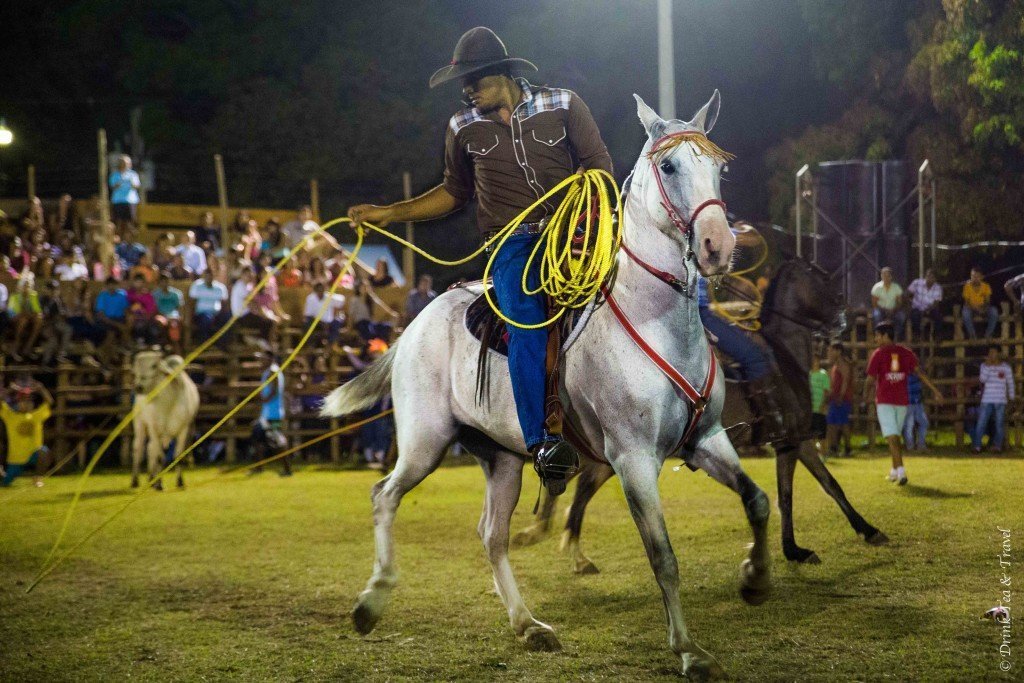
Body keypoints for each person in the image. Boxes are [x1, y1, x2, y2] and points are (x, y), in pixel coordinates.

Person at [346, 27, 612, 492]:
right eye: (463, 83)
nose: (467, 90)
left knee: (634, 289)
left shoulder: (564, 105)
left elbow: (599, 167)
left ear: (503, 75)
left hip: (573, 233)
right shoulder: (462, 126)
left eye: (474, 80)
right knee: (526, 320)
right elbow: (454, 192)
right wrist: (389, 213)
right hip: (511, 245)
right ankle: (540, 442)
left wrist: (582, 216)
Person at [863, 321, 942, 485]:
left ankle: (896, 471)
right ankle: (899, 472)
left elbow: (870, 380)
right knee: (893, 438)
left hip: (893, 402)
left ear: (885, 336)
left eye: (877, 335)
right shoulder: (903, 353)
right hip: (894, 402)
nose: (876, 339)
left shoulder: (880, 354)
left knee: (894, 438)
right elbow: (919, 373)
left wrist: (864, 396)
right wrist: (935, 390)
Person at [0, 381, 53, 487]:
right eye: (23, 401)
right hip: (16, 458)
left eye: (29, 401)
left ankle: (38, 478)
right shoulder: (10, 416)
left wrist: (41, 389)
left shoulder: (36, 415)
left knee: (43, 451)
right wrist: (10, 390)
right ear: (18, 403)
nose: (27, 403)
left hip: (33, 454)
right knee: (5, 483)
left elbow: (49, 402)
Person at [248, 353, 291, 476]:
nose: (260, 360)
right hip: (266, 413)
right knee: (258, 437)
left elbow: (274, 390)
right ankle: (259, 467)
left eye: (263, 358)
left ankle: (287, 469)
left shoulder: (273, 371)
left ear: (270, 359)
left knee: (278, 441)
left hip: (273, 414)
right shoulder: (268, 371)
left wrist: (264, 400)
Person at [973, 346, 1015, 453]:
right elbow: (982, 379)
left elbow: (1010, 383)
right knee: (981, 423)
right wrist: (988, 366)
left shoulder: (1006, 367)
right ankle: (977, 446)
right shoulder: (984, 366)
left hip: (1000, 400)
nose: (992, 355)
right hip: (987, 399)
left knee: (999, 424)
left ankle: (997, 446)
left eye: (994, 352)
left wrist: (1012, 397)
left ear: (999, 354)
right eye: (990, 353)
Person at [825, 341, 854, 457]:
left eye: (831, 350)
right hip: (836, 398)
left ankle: (845, 447)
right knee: (836, 423)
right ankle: (837, 447)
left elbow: (845, 381)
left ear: (838, 351)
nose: (829, 353)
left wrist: (841, 396)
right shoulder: (835, 365)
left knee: (841, 423)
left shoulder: (843, 364)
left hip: (841, 399)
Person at [8, 276, 43, 362]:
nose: (27, 288)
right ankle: (15, 347)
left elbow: (37, 311)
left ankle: (28, 346)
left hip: (29, 319)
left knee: (39, 319)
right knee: (23, 321)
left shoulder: (33, 296)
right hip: (17, 319)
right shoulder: (15, 296)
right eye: (25, 286)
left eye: (29, 286)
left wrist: (30, 314)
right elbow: (11, 313)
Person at [188, 269, 229, 343]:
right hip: (201, 314)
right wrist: (191, 317)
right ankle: (204, 342)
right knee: (207, 318)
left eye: (211, 276)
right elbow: (191, 303)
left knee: (227, 317)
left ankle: (222, 343)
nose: (209, 277)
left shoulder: (220, 287)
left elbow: (224, 304)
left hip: (216, 314)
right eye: (207, 276)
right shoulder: (197, 286)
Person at [38, 280, 72, 365]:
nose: (54, 292)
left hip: (54, 323)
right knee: (53, 340)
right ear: (46, 290)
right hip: (43, 326)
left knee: (68, 329)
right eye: (51, 290)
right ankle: (45, 362)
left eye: (55, 290)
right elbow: (41, 316)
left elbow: (59, 315)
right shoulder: (42, 300)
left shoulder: (56, 301)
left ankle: (62, 354)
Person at [961, 267, 999, 339]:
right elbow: (967, 303)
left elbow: (987, 302)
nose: (974, 278)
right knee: (965, 314)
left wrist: (983, 309)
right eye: (972, 276)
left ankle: (988, 334)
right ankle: (972, 335)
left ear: (982, 277)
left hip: (982, 307)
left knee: (994, 312)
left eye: (977, 276)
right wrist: (976, 309)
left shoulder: (986, 286)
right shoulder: (967, 286)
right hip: (971, 307)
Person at [870, 266, 906, 340]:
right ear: (881, 276)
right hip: (880, 309)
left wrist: (893, 310)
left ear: (891, 277)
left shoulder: (897, 287)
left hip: (894, 309)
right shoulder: (877, 287)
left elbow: (899, 303)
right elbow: (874, 304)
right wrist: (884, 310)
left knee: (901, 317)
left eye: (888, 276)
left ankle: (896, 337)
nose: (886, 277)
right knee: (877, 316)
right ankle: (879, 336)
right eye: (884, 275)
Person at [304, 281, 344, 345]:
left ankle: (331, 345)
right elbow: (308, 314)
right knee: (307, 324)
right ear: (315, 290)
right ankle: (310, 346)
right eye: (318, 290)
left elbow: (342, 299)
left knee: (337, 322)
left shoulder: (329, 297)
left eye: (321, 289)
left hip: (329, 322)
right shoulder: (310, 298)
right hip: (316, 322)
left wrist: (331, 294)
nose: (320, 291)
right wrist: (320, 321)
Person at [906, 268, 943, 339]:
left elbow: (936, 303)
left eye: (932, 277)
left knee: (938, 316)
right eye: (928, 276)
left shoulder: (938, 287)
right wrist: (909, 305)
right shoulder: (917, 283)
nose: (929, 278)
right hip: (917, 307)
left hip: (930, 309)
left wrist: (928, 309)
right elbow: (907, 294)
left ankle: (936, 335)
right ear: (925, 276)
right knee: (914, 316)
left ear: (935, 279)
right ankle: (917, 335)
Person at [108, 155, 141, 235]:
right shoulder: (114, 175)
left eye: (127, 163)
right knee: (118, 222)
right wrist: (119, 183)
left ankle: (129, 241)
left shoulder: (133, 175)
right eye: (122, 163)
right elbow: (112, 186)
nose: (125, 165)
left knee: (130, 223)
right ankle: (118, 240)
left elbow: (137, 185)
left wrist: (131, 183)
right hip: (117, 201)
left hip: (130, 201)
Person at [153, 274, 184, 353]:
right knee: (160, 322)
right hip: (161, 315)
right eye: (162, 282)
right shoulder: (155, 294)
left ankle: (176, 348)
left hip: (174, 316)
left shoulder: (176, 293)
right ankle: (163, 346)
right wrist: (164, 316)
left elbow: (180, 308)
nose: (164, 284)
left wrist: (180, 316)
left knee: (173, 324)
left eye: (166, 281)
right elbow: (155, 309)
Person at [809, 355, 830, 455]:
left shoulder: (823, 374)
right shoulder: (808, 375)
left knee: (822, 434)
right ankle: (814, 454)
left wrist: (823, 404)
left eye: (815, 360)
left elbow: (826, 391)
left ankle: (824, 454)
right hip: (810, 409)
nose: (814, 362)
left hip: (820, 408)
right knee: (812, 434)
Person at [902, 373, 928, 451]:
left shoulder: (914, 375)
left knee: (922, 423)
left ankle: (918, 444)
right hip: (910, 402)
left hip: (916, 402)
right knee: (909, 425)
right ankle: (913, 445)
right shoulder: (908, 374)